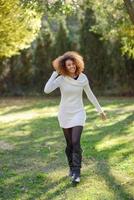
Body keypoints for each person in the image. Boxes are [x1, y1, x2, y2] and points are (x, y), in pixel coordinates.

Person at [44, 51, 107, 184]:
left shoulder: (83, 78)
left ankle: (77, 172)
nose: (71, 67)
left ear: (77, 64)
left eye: (73, 64)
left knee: (75, 141)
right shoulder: (61, 79)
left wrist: (100, 110)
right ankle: (71, 168)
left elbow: (90, 95)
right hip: (64, 114)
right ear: (64, 67)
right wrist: (55, 73)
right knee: (69, 144)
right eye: (68, 65)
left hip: (78, 113)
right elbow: (47, 90)